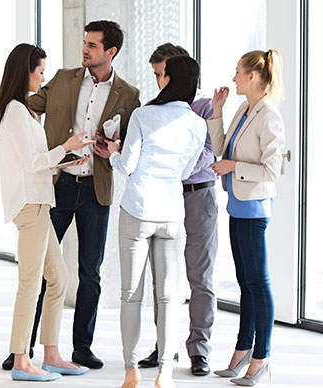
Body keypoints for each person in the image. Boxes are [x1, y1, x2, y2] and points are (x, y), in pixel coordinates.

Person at [0, 20, 141, 370]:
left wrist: (111, 148)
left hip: (95, 187)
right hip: (56, 186)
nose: (84, 49)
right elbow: (20, 105)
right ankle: (23, 351)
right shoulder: (63, 79)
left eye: (92, 45)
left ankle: (77, 348)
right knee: (37, 276)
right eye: (84, 42)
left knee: (85, 273)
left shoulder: (128, 94)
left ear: (110, 51)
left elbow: (128, 145)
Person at [94, 55, 206, 388]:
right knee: (169, 297)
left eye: (162, 75)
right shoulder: (197, 124)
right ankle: (165, 373)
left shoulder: (144, 114)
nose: (158, 79)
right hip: (172, 214)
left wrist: (112, 152)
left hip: (138, 209)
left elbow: (127, 166)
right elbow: (186, 172)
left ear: (170, 79)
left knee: (132, 295)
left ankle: (131, 371)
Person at [0, 43, 93, 382]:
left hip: (40, 203)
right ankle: (22, 360)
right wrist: (66, 148)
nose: (43, 77)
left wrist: (66, 158)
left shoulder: (24, 110)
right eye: (40, 71)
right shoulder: (16, 111)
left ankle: (50, 354)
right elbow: (32, 162)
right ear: (26, 71)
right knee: (30, 283)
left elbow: (38, 161)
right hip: (30, 206)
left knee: (59, 279)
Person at [135, 43, 218, 377]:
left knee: (200, 277)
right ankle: (163, 346)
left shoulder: (207, 107)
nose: (160, 82)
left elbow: (211, 153)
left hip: (199, 197)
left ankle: (199, 351)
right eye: (156, 75)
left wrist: (177, 164)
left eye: (164, 74)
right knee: (163, 278)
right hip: (164, 197)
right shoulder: (153, 110)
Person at [207, 49, 286, 387]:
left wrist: (234, 167)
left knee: (258, 283)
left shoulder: (268, 115)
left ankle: (262, 357)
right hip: (237, 205)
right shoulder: (244, 108)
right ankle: (242, 351)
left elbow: (273, 169)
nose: (234, 77)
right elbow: (220, 148)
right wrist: (218, 112)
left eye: (238, 72)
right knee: (245, 283)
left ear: (254, 75)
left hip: (254, 208)